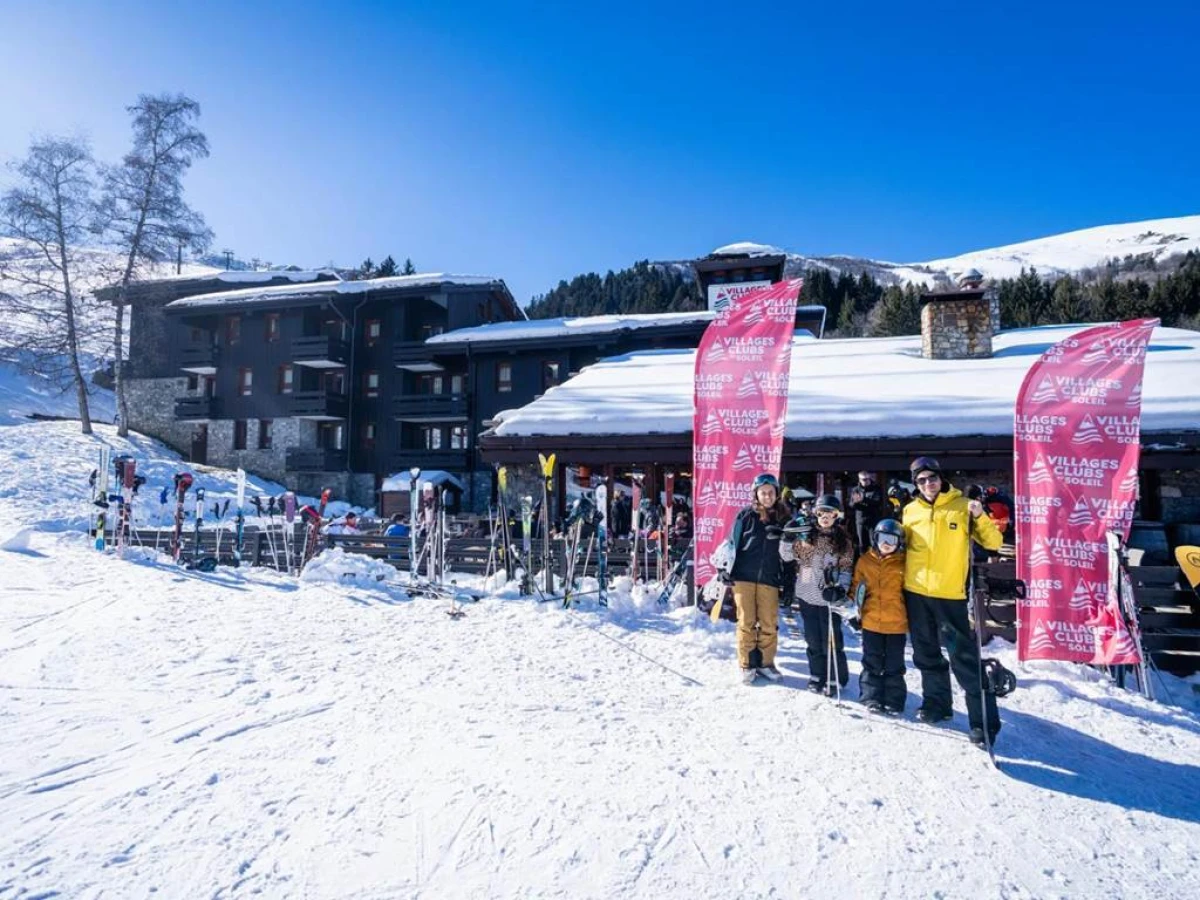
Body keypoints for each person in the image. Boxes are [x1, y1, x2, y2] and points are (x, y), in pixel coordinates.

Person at [902, 456, 1004, 747]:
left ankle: (982, 722)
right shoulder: (910, 511)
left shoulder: (962, 507)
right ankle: (937, 705)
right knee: (926, 654)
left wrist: (980, 515)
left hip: (950, 595)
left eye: (932, 478)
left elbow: (994, 542)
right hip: (916, 592)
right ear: (915, 484)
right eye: (921, 480)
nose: (928, 484)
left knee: (964, 658)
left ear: (940, 478)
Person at [719, 472, 790, 684]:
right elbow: (731, 544)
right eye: (763, 493)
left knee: (769, 623)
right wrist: (723, 568)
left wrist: (788, 582)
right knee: (746, 622)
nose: (767, 496)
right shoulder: (745, 516)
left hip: (770, 577)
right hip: (744, 577)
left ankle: (766, 663)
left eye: (771, 493)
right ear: (755, 494)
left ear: (776, 494)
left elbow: (790, 555)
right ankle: (747, 664)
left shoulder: (785, 519)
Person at [782, 494, 854, 694]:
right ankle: (817, 675)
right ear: (815, 513)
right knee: (813, 639)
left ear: (836, 515)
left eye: (830, 513)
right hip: (807, 593)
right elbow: (786, 556)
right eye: (821, 512)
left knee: (831, 639)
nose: (825, 516)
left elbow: (846, 568)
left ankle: (835, 676)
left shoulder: (842, 540)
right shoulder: (806, 536)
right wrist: (787, 538)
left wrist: (840, 589)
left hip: (829, 596)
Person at [851, 519, 908, 714]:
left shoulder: (904, 563)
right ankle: (871, 697)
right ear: (875, 538)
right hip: (871, 622)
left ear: (899, 542)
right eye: (883, 538)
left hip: (896, 623)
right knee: (871, 661)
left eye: (892, 540)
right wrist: (855, 609)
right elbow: (856, 587)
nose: (887, 543)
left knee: (894, 664)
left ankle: (894, 700)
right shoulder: (865, 561)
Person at [847, 470, 888, 556]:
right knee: (862, 544)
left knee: (874, 543)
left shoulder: (876, 488)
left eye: (867, 479)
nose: (866, 481)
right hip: (860, 521)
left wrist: (863, 500)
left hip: (873, 520)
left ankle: (875, 563)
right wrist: (855, 502)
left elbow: (878, 502)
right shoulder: (855, 490)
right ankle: (864, 563)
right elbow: (851, 505)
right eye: (863, 479)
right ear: (859, 480)